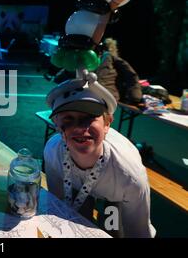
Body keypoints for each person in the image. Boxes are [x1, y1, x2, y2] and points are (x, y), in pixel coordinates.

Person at [44, 72, 155, 238]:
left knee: (113, 227)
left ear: (107, 123)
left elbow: (138, 231)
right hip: (75, 185)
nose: (79, 128)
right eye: (68, 119)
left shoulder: (129, 176)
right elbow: (59, 205)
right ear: (57, 125)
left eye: (88, 118)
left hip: (113, 194)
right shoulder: (53, 151)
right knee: (77, 220)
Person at [96, 38, 142, 104]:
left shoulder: (107, 58)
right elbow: (131, 74)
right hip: (105, 95)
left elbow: (131, 75)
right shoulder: (110, 58)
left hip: (104, 95)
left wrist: (135, 97)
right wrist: (135, 97)